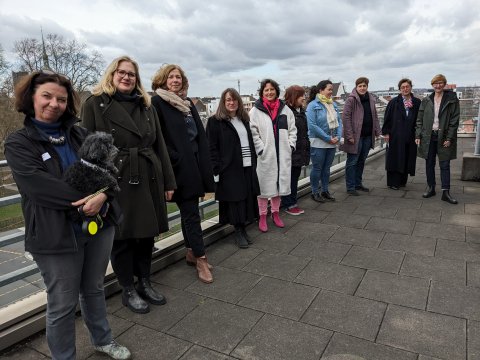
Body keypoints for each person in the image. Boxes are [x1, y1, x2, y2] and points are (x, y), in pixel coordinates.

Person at [5, 70, 130, 360]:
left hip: (99, 227)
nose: (54, 103)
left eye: (61, 99)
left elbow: (109, 171)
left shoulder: (80, 132)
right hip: (55, 235)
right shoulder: (18, 143)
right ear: (31, 99)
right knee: (62, 304)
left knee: (95, 289)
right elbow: (39, 188)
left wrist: (105, 195)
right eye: (46, 96)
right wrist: (93, 196)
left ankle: (102, 340)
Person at [81, 56, 177, 314]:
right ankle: (128, 289)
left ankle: (144, 282)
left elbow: (160, 147)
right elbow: (88, 153)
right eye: (121, 73)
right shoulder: (95, 104)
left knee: (146, 235)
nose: (126, 78)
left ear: (137, 79)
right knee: (122, 238)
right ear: (112, 75)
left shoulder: (147, 105)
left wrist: (169, 181)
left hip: (148, 174)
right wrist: (98, 190)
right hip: (116, 178)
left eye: (131, 74)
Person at [150, 64, 215, 283]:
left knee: (190, 211)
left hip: (194, 166)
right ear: (162, 80)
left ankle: (191, 252)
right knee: (191, 213)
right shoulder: (157, 102)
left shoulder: (186, 104)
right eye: (171, 77)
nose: (175, 80)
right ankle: (201, 259)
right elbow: (155, 138)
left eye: (179, 77)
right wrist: (174, 158)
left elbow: (197, 135)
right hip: (178, 169)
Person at [206, 88, 260, 248]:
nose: (231, 103)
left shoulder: (243, 119)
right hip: (229, 168)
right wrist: (218, 168)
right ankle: (238, 231)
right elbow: (211, 147)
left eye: (234, 100)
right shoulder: (215, 121)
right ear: (223, 102)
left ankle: (243, 229)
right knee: (235, 200)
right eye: (228, 100)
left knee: (246, 198)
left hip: (247, 165)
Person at [249, 79, 297, 232]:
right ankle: (262, 215)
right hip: (266, 155)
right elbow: (253, 132)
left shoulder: (285, 110)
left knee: (279, 185)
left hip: (282, 153)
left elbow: (293, 130)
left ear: (276, 91)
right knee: (263, 187)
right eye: (266, 90)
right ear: (262, 92)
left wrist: (290, 146)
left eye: (272, 89)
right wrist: (261, 149)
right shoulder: (255, 111)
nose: (269, 92)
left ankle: (275, 213)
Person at [415, 74, 460, 204]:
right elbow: (419, 119)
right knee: (429, 163)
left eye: (441, 83)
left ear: (444, 84)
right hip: (428, 136)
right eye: (435, 83)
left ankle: (446, 192)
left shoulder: (452, 99)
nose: (438, 85)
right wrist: (418, 135)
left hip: (444, 136)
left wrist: (450, 137)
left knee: (444, 164)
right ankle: (431, 188)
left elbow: (454, 120)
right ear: (432, 85)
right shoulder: (427, 100)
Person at [339, 77, 381, 196]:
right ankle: (350, 186)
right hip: (355, 137)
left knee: (361, 161)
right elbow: (346, 118)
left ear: (367, 87)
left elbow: (375, 117)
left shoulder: (371, 99)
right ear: (356, 87)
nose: (362, 88)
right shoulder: (351, 100)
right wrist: (349, 135)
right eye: (360, 86)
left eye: (364, 86)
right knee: (352, 161)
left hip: (368, 135)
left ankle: (358, 183)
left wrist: (378, 131)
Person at [306, 80, 342, 202]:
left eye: (332, 89)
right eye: (329, 89)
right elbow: (312, 125)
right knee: (317, 167)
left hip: (332, 141)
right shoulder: (313, 105)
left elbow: (339, 122)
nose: (331, 92)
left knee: (327, 168)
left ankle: (325, 190)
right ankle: (315, 192)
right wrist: (327, 138)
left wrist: (337, 136)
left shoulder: (334, 104)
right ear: (321, 91)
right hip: (318, 141)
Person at [382, 78, 421, 190]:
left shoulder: (417, 102)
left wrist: (418, 134)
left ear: (411, 87)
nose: (405, 89)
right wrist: (386, 133)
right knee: (395, 158)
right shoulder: (393, 102)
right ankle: (394, 182)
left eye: (407, 86)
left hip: (410, 135)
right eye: (403, 87)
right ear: (400, 89)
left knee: (407, 157)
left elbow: (420, 119)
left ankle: (403, 181)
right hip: (396, 135)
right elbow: (387, 118)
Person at [281, 85, 310, 214]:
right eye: (301, 96)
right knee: (288, 180)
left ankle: (293, 202)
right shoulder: (286, 112)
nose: (304, 98)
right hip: (291, 152)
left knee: (294, 179)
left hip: (300, 152)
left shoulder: (300, 111)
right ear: (294, 97)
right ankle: (288, 204)